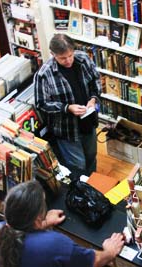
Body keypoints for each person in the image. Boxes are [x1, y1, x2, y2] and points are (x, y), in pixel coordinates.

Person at [0, 180, 124, 267]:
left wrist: (45, 222)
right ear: (36, 219)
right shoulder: (53, 243)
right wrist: (109, 251)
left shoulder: (0, 229)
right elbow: (94, 261)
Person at [34, 33, 101, 176]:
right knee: (77, 166)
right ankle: (79, 191)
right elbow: (41, 103)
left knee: (91, 157)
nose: (68, 60)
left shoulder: (83, 59)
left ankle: (91, 186)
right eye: (63, 58)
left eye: (70, 55)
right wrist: (67, 108)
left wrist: (93, 99)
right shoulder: (44, 74)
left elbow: (95, 81)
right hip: (67, 130)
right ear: (53, 54)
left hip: (89, 122)